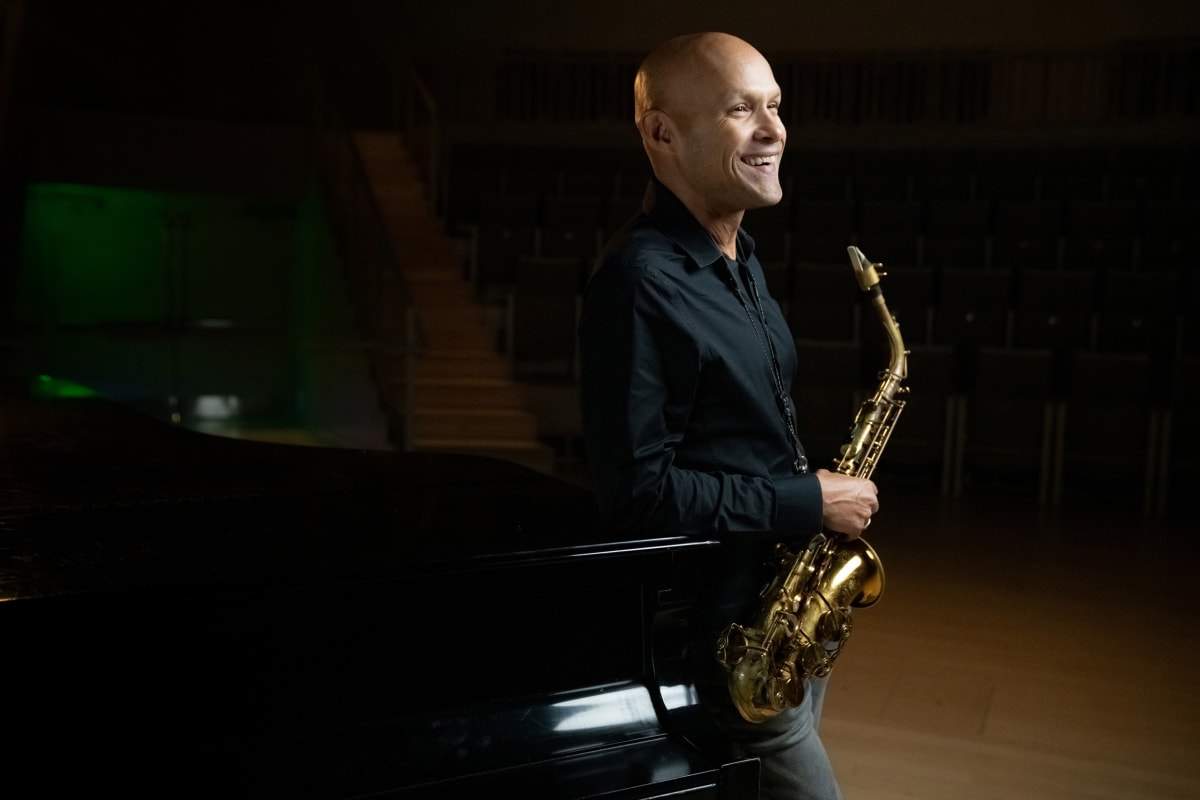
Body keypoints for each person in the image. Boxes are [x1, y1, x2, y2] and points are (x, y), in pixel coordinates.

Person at [578, 32, 880, 800]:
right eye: (742, 109)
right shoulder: (640, 282)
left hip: (778, 616)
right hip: (720, 643)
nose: (775, 130)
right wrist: (807, 498)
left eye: (775, 107)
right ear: (662, 132)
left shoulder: (739, 260)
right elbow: (636, 492)